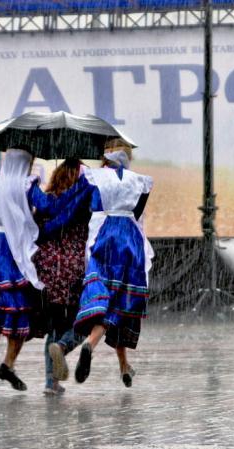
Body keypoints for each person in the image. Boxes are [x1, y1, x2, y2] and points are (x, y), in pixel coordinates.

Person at [0, 147, 70, 398]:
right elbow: (46, 205)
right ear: (26, 163)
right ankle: (8, 364)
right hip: (8, 247)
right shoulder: (25, 184)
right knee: (18, 311)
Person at [72, 138, 154, 388]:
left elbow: (83, 206)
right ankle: (111, 357)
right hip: (129, 238)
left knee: (103, 295)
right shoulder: (141, 181)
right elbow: (137, 214)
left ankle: (97, 347)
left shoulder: (93, 177)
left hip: (102, 236)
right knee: (121, 301)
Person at [32, 158, 90, 395]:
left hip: (47, 268)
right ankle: (63, 347)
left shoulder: (45, 202)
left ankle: (51, 383)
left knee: (54, 325)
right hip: (73, 266)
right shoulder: (82, 200)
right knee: (86, 322)